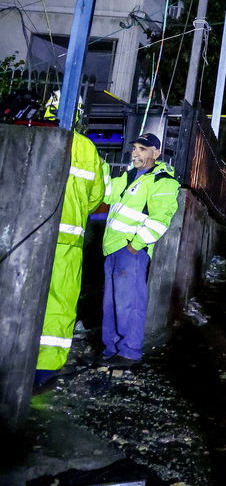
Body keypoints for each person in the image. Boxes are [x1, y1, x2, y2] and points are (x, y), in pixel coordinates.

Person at [34, 131, 108, 386]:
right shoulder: (88, 149)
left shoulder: (36, 134)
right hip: (69, 240)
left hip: (32, 235)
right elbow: (96, 196)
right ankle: (45, 367)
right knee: (60, 303)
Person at [101, 132, 180, 365]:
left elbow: (160, 220)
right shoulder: (128, 177)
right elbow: (106, 194)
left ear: (156, 153)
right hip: (113, 248)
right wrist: (103, 168)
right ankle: (111, 349)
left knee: (129, 303)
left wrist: (135, 246)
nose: (136, 152)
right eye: (134, 148)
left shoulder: (162, 181)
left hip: (130, 251)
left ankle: (129, 352)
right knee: (112, 304)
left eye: (142, 149)